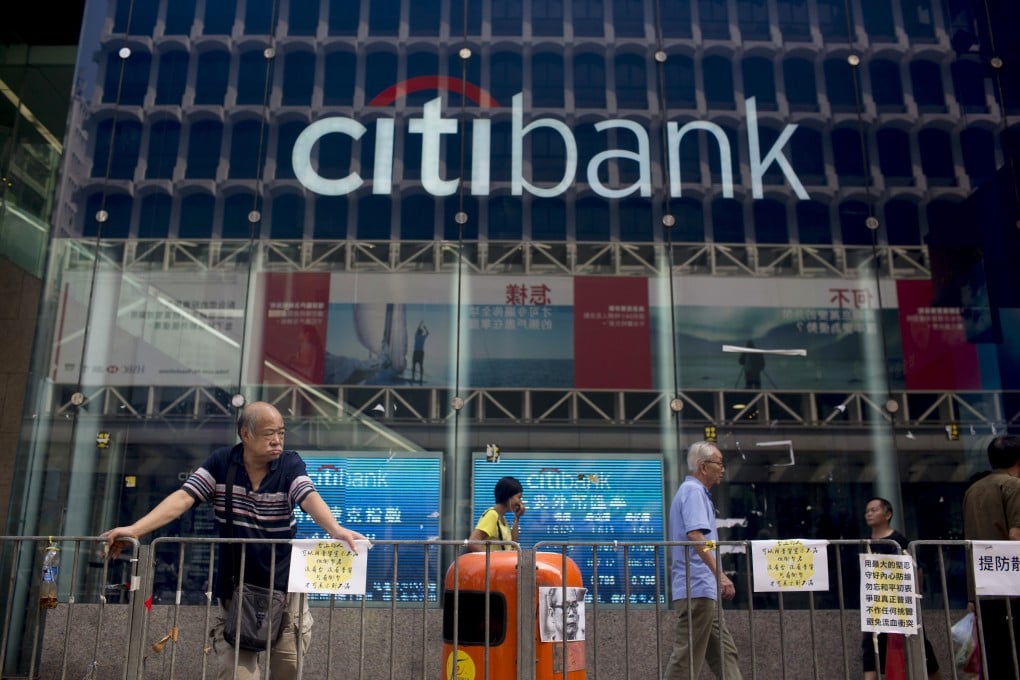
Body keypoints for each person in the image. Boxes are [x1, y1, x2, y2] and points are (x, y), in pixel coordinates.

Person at [102, 401, 366, 679]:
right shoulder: (221, 462)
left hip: (286, 586)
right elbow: (183, 497)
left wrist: (335, 530)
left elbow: (307, 495)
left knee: (288, 664)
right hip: (236, 586)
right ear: (246, 434)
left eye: (281, 433)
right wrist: (136, 529)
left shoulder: (290, 464)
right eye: (268, 433)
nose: (277, 440)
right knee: (237, 671)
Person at [663, 441, 742, 680]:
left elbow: (702, 538)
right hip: (697, 586)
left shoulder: (697, 493)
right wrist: (720, 573)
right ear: (703, 466)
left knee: (724, 652)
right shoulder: (693, 492)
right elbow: (696, 535)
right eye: (719, 463)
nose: (722, 469)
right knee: (687, 656)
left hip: (702, 587)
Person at [860, 497, 941, 680]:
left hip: (900, 604)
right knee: (870, 647)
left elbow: (916, 569)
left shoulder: (898, 541)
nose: (869, 514)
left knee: (920, 645)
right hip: (875, 605)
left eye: (874, 510)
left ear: (888, 514)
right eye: (867, 511)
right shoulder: (866, 542)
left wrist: (912, 596)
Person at [963, 435, 1020, 679]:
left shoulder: (973, 490)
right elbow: (1017, 536)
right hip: (1012, 585)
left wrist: (970, 593)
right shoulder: (1013, 486)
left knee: (996, 657)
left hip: (984, 588)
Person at [467, 476, 525, 551]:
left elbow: (512, 546)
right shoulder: (492, 515)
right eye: (519, 497)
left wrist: (517, 518)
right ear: (508, 496)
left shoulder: (501, 518)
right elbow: (473, 542)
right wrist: (491, 560)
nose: (520, 502)